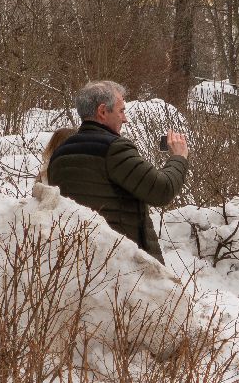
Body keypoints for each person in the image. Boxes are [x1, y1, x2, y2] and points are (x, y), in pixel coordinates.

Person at [44, 81, 189, 260]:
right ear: (103, 111)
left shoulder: (59, 153)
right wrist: (179, 157)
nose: (125, 118)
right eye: (121, 111)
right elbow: (162, 190)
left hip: (79, 262)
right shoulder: (114, 148)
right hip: (122, 263)